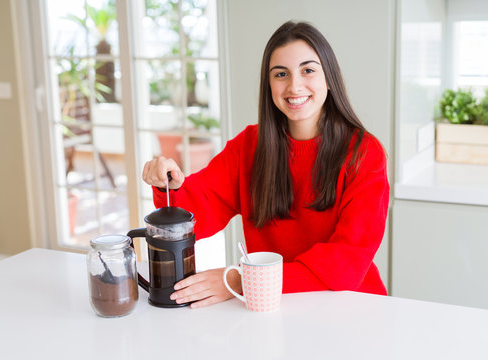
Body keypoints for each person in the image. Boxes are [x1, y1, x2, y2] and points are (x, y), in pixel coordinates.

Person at [142, 20, 390, 308]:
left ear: (329, 78)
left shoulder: (364, 153)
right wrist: (168, 184)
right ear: (269, 84)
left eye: (308, 70)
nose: (294, 85)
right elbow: (197, 213)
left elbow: (346, 264)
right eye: (281, 74)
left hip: (353, 307)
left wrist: (240, 280)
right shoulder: (249, 146)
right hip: (272, 307)